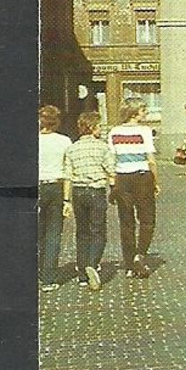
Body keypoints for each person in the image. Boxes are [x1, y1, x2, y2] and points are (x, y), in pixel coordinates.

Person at [63, 110, 115, 290]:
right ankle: (92, 264)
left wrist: (66, 200)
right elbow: (111, 170)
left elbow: (68, 176)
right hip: (96, 191)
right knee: (98, 231)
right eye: (99, 126)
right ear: (93, 128)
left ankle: (82, 275)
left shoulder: (72, 148)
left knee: (82, 232)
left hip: (78, 192)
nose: (100, 129)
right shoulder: (102, 147)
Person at [107, 101, 158, 279]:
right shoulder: (145, 131)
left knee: (126, 222)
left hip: (122, 179)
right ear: (134, 113)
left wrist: (113, 183)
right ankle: (140, 255)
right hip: (142, 177)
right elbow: (151, 159)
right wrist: (156, 181)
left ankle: (129, 264)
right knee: (147, 219)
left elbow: (111, 160)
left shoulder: (114, 132)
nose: (146, 113)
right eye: (143, 110)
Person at [38, 105, 74, 292]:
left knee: (37, 232)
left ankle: (37, 270)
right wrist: (67, 200)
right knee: (53, 233)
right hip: (56, 187)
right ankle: (49, 277)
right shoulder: (64, 141)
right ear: (57, 121)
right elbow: (68, 172)